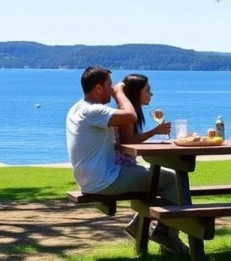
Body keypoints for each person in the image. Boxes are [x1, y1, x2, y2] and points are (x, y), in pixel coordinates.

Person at [66, 66, 188, 254]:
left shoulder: (77, 108)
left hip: (90, 178)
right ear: (98, 88)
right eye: (109, 85)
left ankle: (141, 225)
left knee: (158, 178)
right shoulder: (93, 110)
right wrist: (120, 93)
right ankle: (165, 233)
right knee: (172, 180)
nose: (112, 87)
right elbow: (129, 117)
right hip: (105, 180)